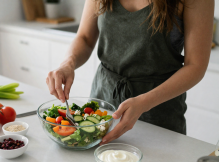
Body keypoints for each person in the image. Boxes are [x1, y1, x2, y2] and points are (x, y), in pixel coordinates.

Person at [46, 0, 214, 145]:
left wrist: (144, 102)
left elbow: (196, 66)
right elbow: (85, 37)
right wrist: (68, 63)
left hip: (158, 113)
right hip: (103, 105)